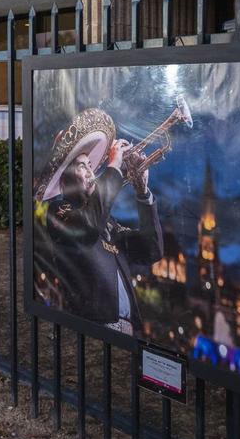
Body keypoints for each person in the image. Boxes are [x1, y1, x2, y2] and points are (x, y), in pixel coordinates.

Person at [34, 108, 164, 335]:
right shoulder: (59, 210)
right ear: (65, 179)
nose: (91, 172)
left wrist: (143, 194)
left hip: (129, 330)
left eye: (90, 165)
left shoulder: (107, 221)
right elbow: (88, 226)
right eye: (82, 166)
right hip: (93, 327)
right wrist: (114, 167)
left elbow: (152, 250)